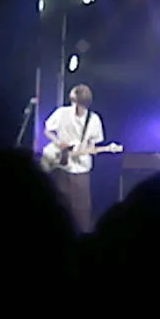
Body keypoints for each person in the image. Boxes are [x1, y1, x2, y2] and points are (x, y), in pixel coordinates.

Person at [44, 84, 104, 233]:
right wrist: (58, 142)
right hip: (61, 165)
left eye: (80, 104)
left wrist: (90, 150)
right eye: (75, 102)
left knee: (81, 209)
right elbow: (47, 130)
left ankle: (82, 237)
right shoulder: (61, 113)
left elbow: (93, 144)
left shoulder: (94, 119)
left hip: (81, 169)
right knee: (60, 204)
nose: (76, 107)